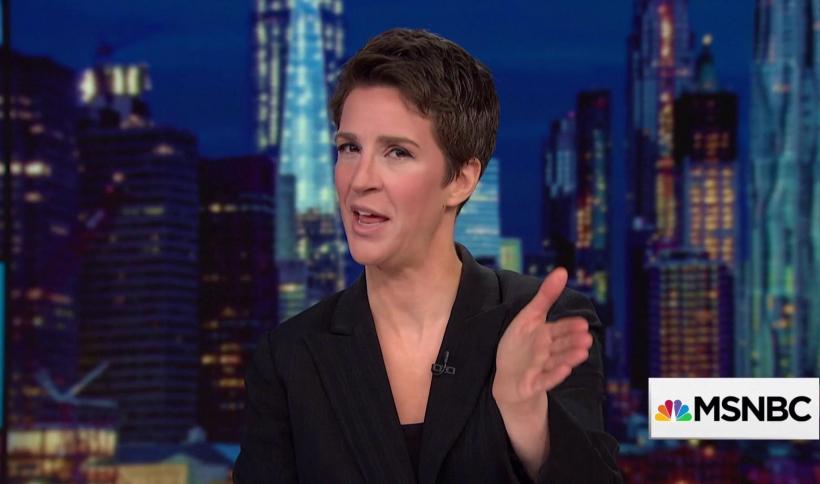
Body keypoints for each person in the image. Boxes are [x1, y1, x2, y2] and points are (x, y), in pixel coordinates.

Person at [234, 28, 622, 483]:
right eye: (349, 148)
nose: (360, 180)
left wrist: (526, 415)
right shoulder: (289, 359)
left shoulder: (545, 324)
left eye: (397, 152)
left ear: (460, 179)